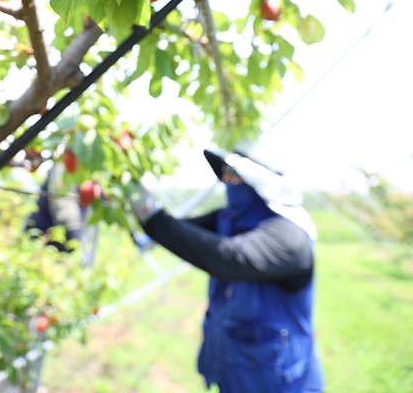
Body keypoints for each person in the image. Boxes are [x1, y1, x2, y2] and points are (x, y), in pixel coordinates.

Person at [127, 141, 324, 393]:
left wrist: (149, 214)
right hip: (237, 369)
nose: (226, 181)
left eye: (235, 175)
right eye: (225, 175)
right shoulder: (229, 217)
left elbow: (228, 257)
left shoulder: (289, 236)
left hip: (282, 382)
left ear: (261, 182)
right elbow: (181, 232)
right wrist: (136, 214)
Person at [25, 162, 86, 252]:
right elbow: (64, 204)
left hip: (57, 243)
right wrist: (75, 239)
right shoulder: (65, 167)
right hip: (45, 243)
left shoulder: (88, 174)